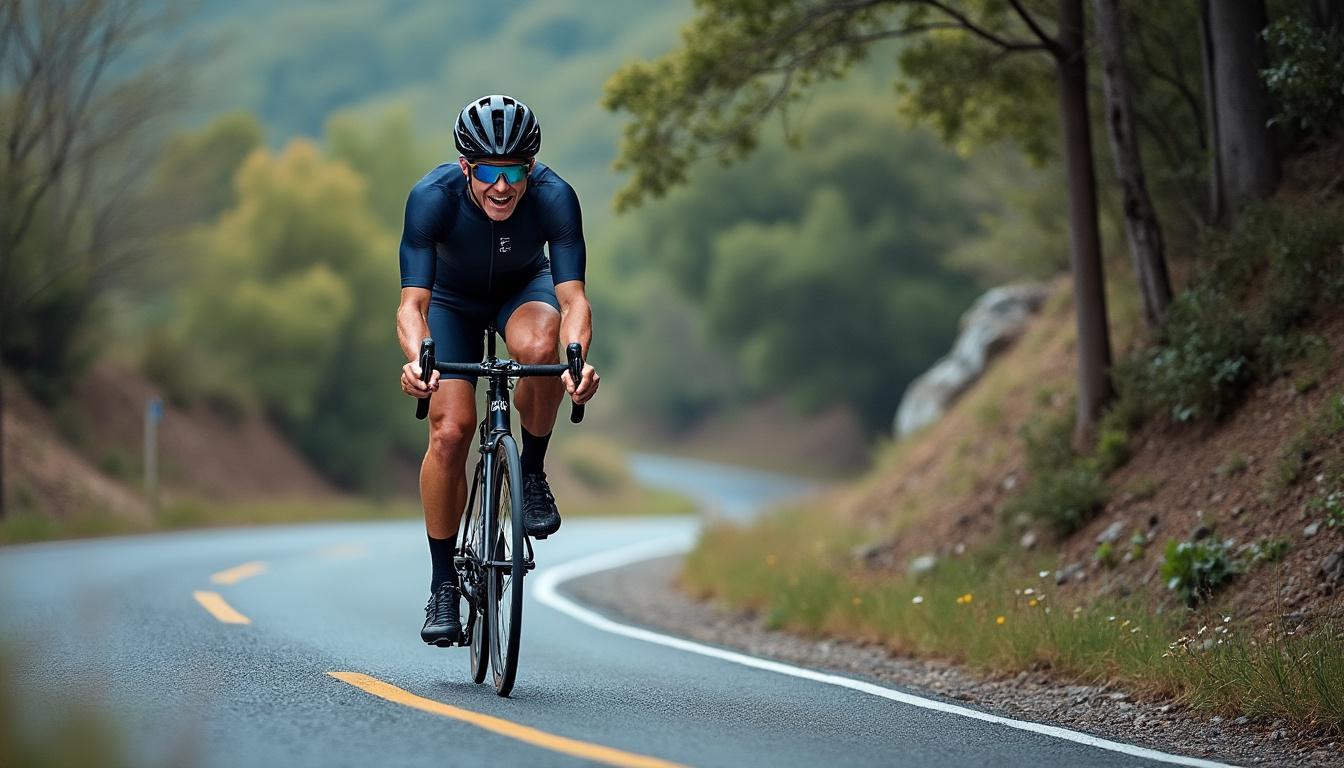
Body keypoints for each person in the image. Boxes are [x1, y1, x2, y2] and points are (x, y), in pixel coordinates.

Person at [396, 94, 599, 646]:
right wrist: (419, 359)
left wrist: (576, 359)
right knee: (452, 429)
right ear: (466, 168)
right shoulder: (431, 199)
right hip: (450, 302)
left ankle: (530, 473)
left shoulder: (556, 197)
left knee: (539, 348)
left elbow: (574, 298)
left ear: (530, 168)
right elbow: (411, 306)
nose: (502, 187)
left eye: (514, 170)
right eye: (489, 171)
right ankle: (443, 587)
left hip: (522, 291)